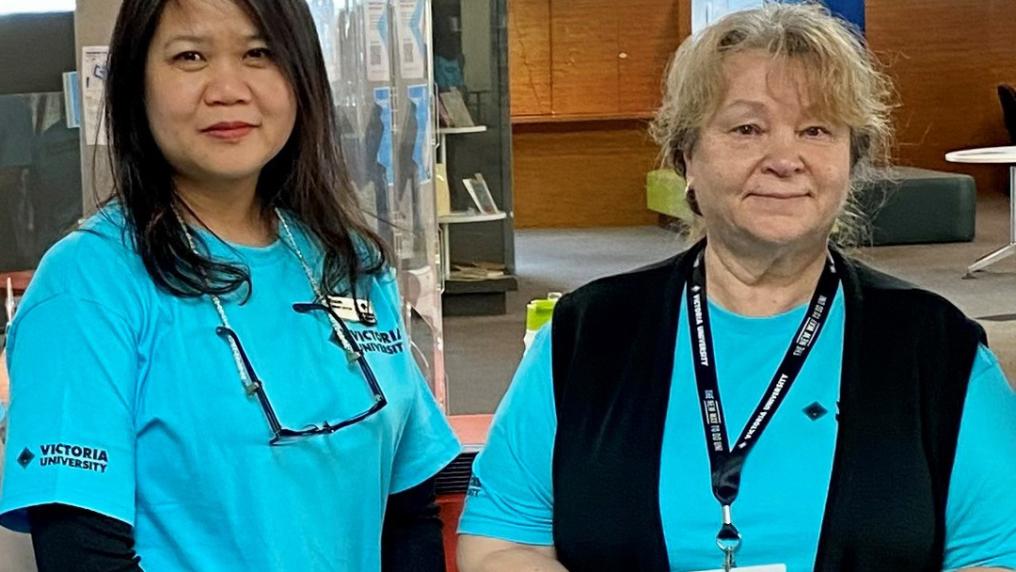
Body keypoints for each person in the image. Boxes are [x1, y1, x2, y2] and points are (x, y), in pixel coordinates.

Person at [457, 4, 1016, 572]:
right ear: (687, 157)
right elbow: (503, 542)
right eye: (747, 128)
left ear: (852, 161)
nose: (784, 159)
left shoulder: (934, 345)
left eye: (816, 129)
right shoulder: (587, 334)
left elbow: (997, 556)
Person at [0, 1, 460, 570]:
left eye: (258, 53)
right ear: (135, 84)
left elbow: (407, 509)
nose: (227, 88)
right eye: (189, 56)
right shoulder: (87, 286)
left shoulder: (350, 260)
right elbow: (82, 554)